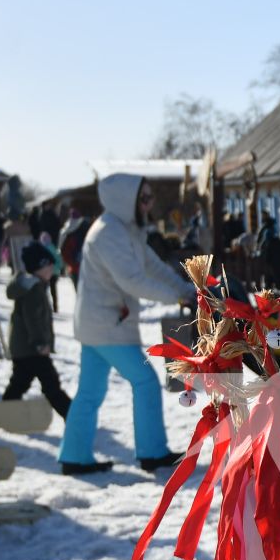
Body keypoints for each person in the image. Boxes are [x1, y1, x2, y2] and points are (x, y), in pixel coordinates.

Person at [58, 173, 189, 476]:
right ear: (125, 200)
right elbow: (131, 280)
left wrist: (183, 289)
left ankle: (74, 456)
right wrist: (176, 298)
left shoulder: (125, 230)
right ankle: (152, 453)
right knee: (144, 382)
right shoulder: (108, 233)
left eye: (150, 197)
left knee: (89, 393)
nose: (149, 204)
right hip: (107, 325)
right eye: (144, 199)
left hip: (102, 323)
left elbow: (152, 266)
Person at [3, 242, 72, 419]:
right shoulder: (33, 290)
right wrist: (40, 343)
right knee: (50, 384)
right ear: (39, 267)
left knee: (20, 383)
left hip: (25, 348)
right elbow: (33, 320)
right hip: (31, 349)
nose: (52, 270)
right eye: (49, 266)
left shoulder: (34, 286)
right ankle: (73, 415)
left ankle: (5, 411)